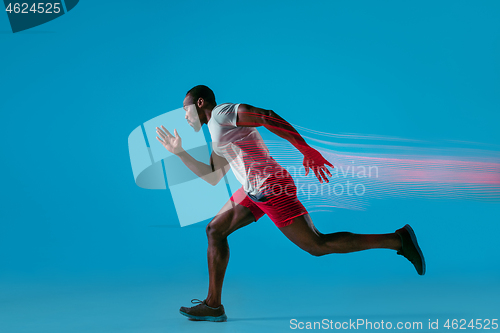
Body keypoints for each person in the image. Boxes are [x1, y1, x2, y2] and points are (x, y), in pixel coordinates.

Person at [156, 85, 425, 322]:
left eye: (185, 109)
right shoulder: (217, 134)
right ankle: (213, 305)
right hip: (254, 192)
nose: (184, 115)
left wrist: (306, 150)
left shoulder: (221, 114)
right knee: (215, 231)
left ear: (200, 103)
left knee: (317, 245)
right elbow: (212, 175)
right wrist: (178, 152)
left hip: (272, 189)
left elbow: (266, 116)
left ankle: (397, 240)